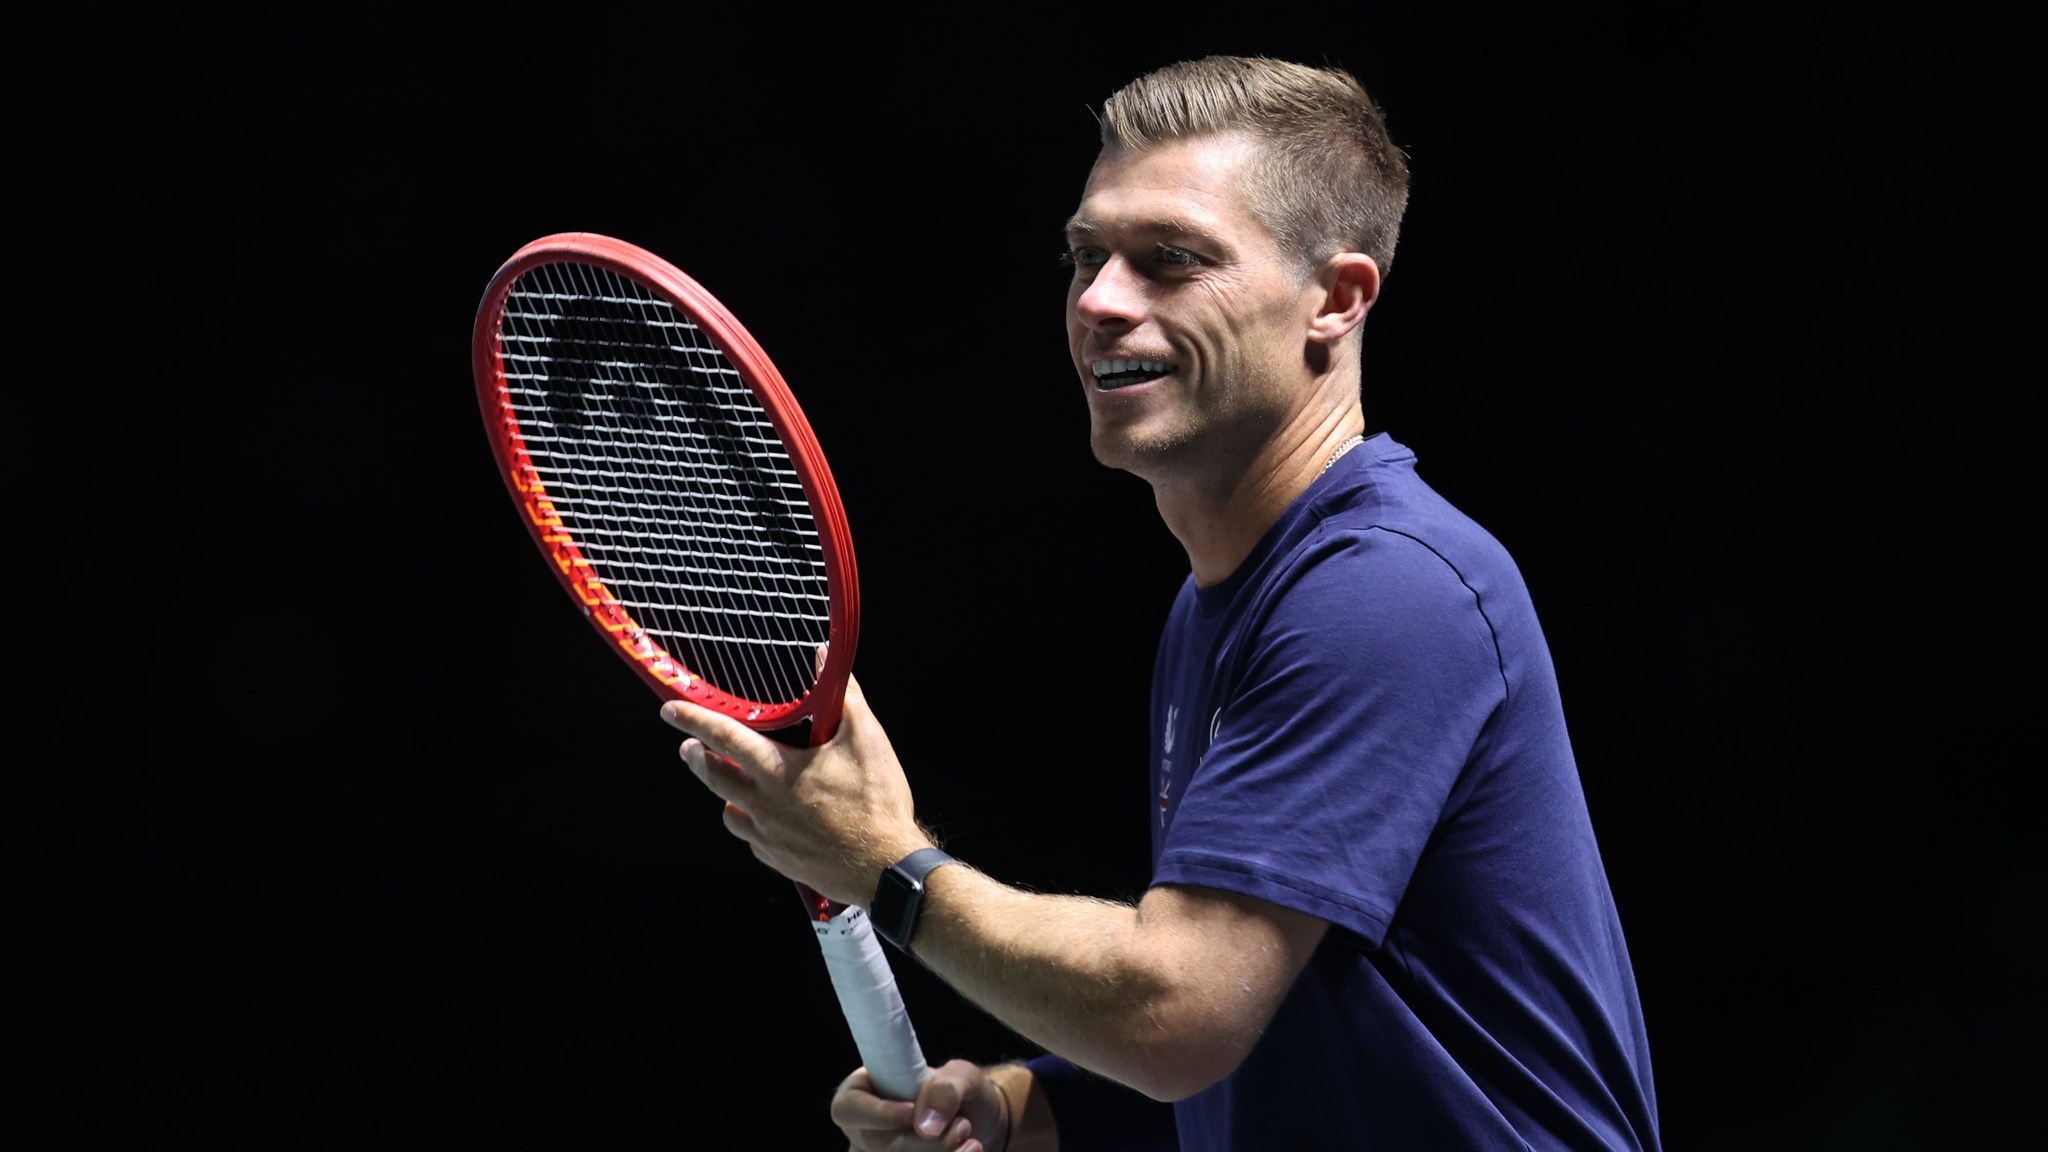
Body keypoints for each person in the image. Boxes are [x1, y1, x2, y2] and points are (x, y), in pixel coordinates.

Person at [661, 54, 1661, 1151]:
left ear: (1333, 299)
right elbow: (1251, 1026)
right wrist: (1008, 1107)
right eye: (1085, 256)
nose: (1096, 300)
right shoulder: (1220, 603)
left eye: (1169, 261)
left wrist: (884, 866)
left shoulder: (1387, 593)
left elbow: (1174, 1013)